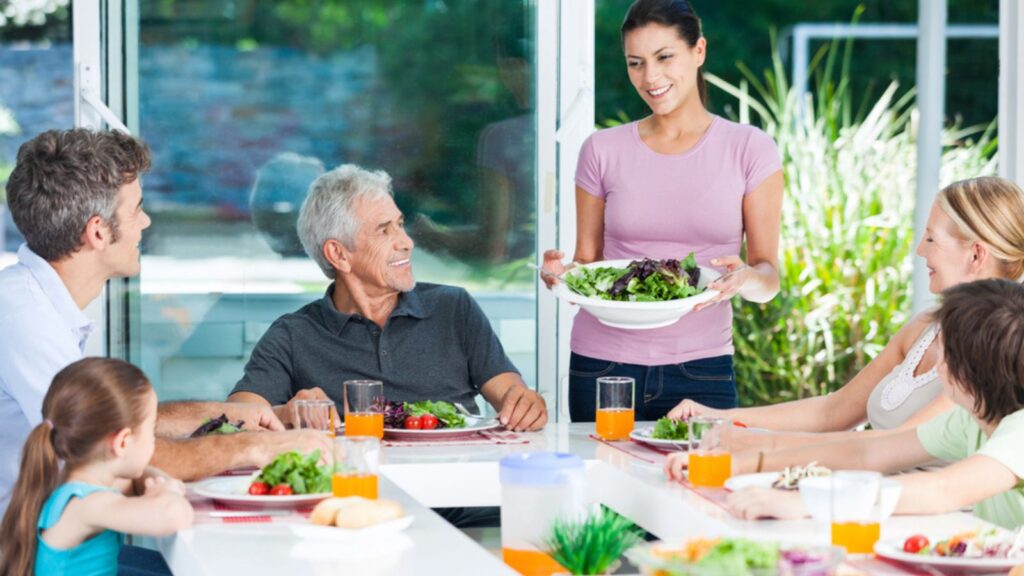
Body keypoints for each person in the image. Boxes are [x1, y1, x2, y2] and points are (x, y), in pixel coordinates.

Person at [0, 128, 332, 514]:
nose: (146, 223)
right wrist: (256, 447)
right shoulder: (24, 317)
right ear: (97, 231)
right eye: (137, 208)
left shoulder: (36, 302)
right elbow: (108, 452)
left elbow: (121, 427)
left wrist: (231, 416)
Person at [541, 0, 784, 421]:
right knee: (603, 486)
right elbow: (587, 263)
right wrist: (563, 277)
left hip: (703, 367)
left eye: (665, 57)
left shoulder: (750, 149)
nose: (650, 77)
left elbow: (769, 279)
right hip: (603, 366)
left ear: (699, 51)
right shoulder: (601, 150)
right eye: (636, 63)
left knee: (700, 485)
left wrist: (744, 278)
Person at [667, 176, 1024, 450]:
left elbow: (893, 447)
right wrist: (720, 417)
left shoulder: (994, 352)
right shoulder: (924, 328)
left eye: (931, 239)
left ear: (976, 255)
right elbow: (834, 412)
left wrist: (756, 443)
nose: (919, 250)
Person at [668, 279, 1024, 529]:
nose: (935, 352)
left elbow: (941, 490)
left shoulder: (1019, 431)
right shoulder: (971, 418)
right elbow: (868, 454)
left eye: (943, 346)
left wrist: (807, 504)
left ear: (965, 373)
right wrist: (740, 464)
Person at [228, 163, 548, 432]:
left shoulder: (454, 308)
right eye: (384, 230)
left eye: (400, 225)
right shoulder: (293, 334)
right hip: (362, 496)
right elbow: (234, 419)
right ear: (338, 254)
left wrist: (525, 404)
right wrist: (286, 413)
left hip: (461, 492)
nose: (406, 242)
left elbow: (512, 395)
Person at [0, 358, 193, 576]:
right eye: (151, 430)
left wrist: (162, 484)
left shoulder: (72, 488)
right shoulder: (87, 505)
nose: (153, 440)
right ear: (122, 442)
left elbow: (136, 480)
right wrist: (168, 492)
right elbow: (172, 516)